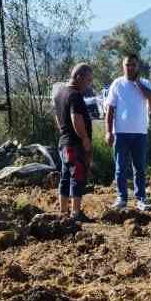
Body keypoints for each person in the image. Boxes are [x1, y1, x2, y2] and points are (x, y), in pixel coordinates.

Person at [105, 53, 151, 211]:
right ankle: (122, 198)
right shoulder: (117, 84)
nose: (130, 67)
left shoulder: (144, 83)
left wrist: (138, 84)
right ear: (123, 66)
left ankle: (141, 198)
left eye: (133, 65)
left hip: (140, 133)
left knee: (139, 167)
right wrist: (108, 132)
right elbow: (110, 110)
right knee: (120, 167)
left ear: (137, 66)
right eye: (127, 64)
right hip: (121, 133)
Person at [52, 62, 95, 220]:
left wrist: (64, 132)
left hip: (63, 143)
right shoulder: (74, 95)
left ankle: (63, 212)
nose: (89, 84)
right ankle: (76, 213)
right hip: (74, 145)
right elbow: (76, 118)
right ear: (78, 77)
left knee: (65, 177)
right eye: (88, 80)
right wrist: (85, 139)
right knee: (78, 176)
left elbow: (57, 117)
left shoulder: (60, 93)